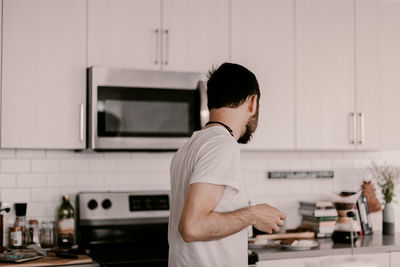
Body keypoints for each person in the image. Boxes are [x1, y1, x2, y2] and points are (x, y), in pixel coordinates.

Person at [168, 63, 286, 267]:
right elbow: (192, 227)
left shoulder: (188, 148)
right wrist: (253, 214)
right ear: (252, 102)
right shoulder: (222, 145)